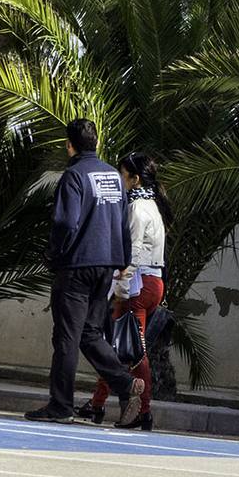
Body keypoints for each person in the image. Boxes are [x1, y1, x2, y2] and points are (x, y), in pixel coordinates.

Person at [25, 118, 145, 425]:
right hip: (106, 265)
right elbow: (121, 221)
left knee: (67, 337)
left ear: (70, 146)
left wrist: (53, 253)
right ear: (97, 143)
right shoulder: (114, 177)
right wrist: (122, 259)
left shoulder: (74, 175)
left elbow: (66, 222)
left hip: (77, 265)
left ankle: (60, 406)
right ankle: (125, 383)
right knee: (90, 333)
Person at [78, 152, 171, 430]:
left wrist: (119, 288)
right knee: (118, 348)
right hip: (153, 282)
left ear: (135, 178)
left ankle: (142, 409)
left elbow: (132, 253)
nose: (119, 179)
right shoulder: (153, 206)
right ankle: (97, 404)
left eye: (122, 174)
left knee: (131, 350)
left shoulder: (136, 208)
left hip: (137, 285)